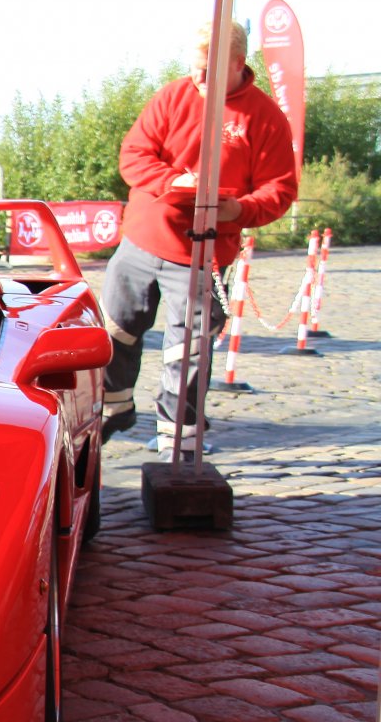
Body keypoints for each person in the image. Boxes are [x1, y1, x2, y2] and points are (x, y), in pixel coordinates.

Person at [100, 22, 298, 447]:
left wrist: (239, 209)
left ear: (238, 64)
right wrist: (172, 182)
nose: (199, 76)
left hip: (203, 251)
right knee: (115, 331)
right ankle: (114, 408)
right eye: (195, 66)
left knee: (187, 350)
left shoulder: (265, 117)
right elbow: (133, 155)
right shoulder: (172, 96)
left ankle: (179, 438)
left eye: (209, 69)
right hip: (142, 239)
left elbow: (280, 189)